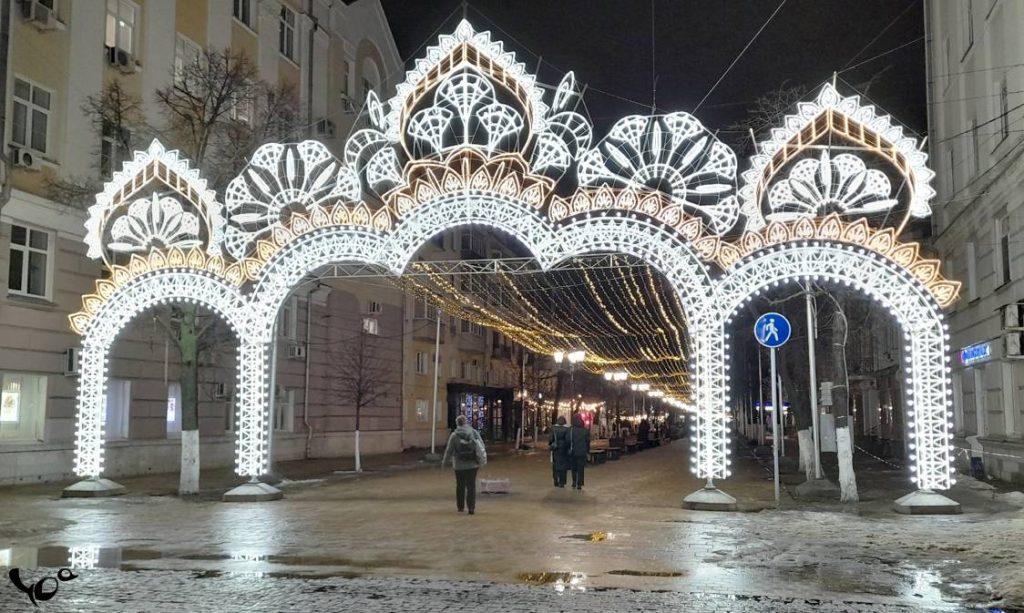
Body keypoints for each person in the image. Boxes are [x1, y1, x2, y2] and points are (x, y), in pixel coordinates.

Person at [442, 415, 487, 514]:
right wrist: (482, 459)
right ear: (466, 422)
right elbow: (481, 446)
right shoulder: (474, 433)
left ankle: (460, 507)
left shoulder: (454, 435)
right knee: (471, 486)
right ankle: (471, 508)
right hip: (473, 464)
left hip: (458, 465)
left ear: (457, 423)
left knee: (460, 485)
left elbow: (449, 450)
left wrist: (444, 463)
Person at [567, 413, 590, 491]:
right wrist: (587, 451)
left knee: (573, 468)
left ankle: (574, 482)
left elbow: (568, 440)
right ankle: (579, 484)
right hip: (582, 452)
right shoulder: (585, 430)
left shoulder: (570, 430)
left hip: (573, 451)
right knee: (581, 468)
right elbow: (587, 441)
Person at [549, 416, 570, 487]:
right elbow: (568, 440)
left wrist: (551, 445)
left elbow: (550, 439)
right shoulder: (567, 429)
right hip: (564, 449)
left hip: (556, 449)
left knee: (555, 465)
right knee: (563, 466)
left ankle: (555, 480)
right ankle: (562, 482)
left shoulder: (553, 428)